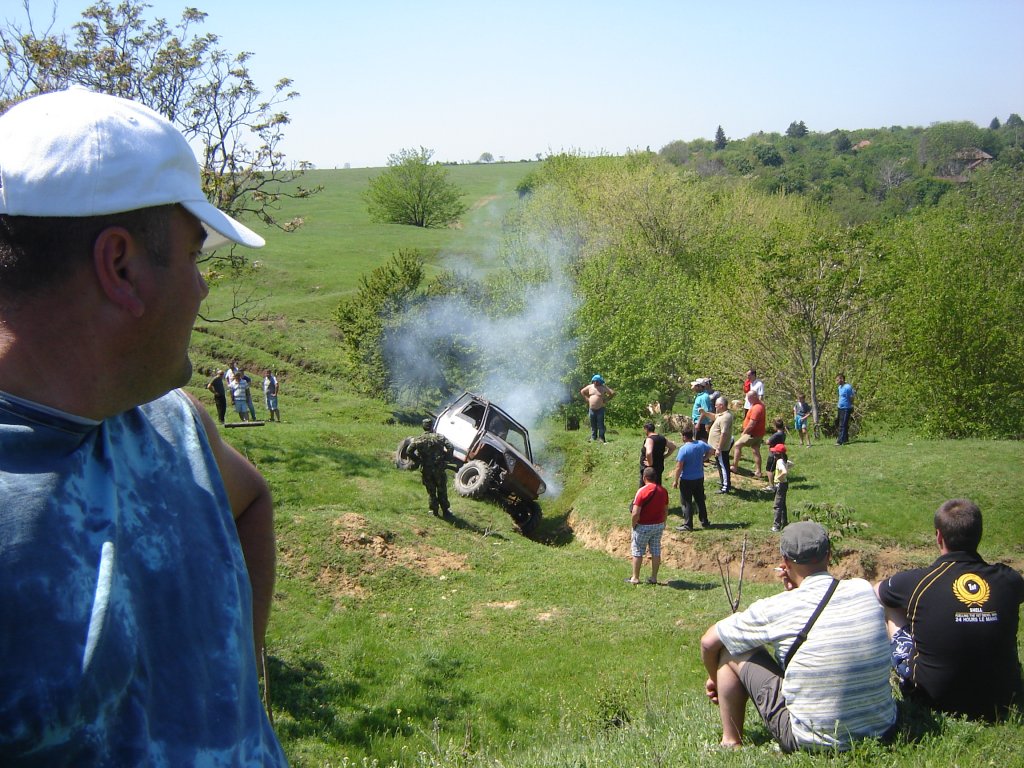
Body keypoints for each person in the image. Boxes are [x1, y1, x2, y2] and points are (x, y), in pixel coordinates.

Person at [0, 88, 286, 764]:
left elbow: (252, 502)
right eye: (194, 257)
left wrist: (237, 698)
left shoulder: (174, 425)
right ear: (121, 266)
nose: (202, 288)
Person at [699, 522, 896, 752]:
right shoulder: (863, 589)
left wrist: (715, 678)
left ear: (785, 561)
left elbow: (708, 641)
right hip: (882, 727)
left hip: (813, 739)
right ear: (829, 555)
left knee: (729, 648)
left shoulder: (779, 607)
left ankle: (730, 741)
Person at [874, 499, 1024, 721]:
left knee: (890, 605)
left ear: (939, 537)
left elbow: (876, 592)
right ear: (979, 534)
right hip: (1004, 699)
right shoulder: (1010, 580)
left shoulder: (916, 582)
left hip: (933, 699)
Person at [627, 467, 670, 584]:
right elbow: (665, 510)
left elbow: (635, 513)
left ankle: (635, 578)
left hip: (643, 526)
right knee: (655, 550)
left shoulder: (642, 491)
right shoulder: (663, 491)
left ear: (644, 477)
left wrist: (633, 525)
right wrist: (664, 522)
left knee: (637, 550)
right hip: (658, 525)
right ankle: (654, 577)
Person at [407, 418, 455, 517]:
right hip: (439, 468)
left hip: (426, 469)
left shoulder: (418, 439)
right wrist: (447, 459)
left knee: (431, 491)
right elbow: (450, 447)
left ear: (423, 426)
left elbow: (408, 451)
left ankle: (434, 511)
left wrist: (418, 460)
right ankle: (446, 511)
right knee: (442, 489)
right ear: (432, 426)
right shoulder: (440, 437)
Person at [671, 425, 714, 531]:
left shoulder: (683, 449)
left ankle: (688, 524)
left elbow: (679, 466)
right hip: (699, 477)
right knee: (700, 499)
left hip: (687, 479)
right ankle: (705, 521)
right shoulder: (700, 444)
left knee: (686, 502)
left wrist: (675, 481)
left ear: (684, 437)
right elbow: (712, 450)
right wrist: (704, 458)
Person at [701, 396, 734, 494]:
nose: (715, 406)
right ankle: (723, 481)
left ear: (722, 405)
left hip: (721, 447)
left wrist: (719, 448)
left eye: (716, 405)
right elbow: (714, 416)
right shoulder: (721, 415)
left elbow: (724, 433)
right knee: (720, 465)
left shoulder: (726, 417)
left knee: (723, 465)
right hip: (716, 447)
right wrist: (704, 413)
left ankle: (726, 487)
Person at [731, 389, 766, 479]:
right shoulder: (759, 404)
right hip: (759, 433)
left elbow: (752, 423)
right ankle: (758, 471)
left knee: (737, 445)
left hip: (752, 433)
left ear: (755, 397)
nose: (748, 400)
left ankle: (734, 467)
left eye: (749, 398)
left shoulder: (757, 408)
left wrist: (744, 432)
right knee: (755, 450)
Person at [639, 421, 676, 487]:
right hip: (659, 467)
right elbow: (673, 447)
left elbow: (649, 452)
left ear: (646, 429)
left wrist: (650, 463)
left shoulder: (649, 439)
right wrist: (664, 456)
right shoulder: (662, 438)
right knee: (657, 487)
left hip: (649, 470)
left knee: (645, 488)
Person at [580, 374, 615, 443]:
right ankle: (593, 437)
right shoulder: (590, 387)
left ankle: (601, 438)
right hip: (592, 409)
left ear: (600, 381)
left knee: (600, 424)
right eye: (594, 381)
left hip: (600, 409)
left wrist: (607, 399)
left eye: (597, 381)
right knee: (593, 424)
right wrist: (587, 398)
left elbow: (612, 393)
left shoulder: (603, 387)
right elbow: (582, 391)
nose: (595, 382)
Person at [768, 443, 790, 531]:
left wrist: (779, 477)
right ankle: (784, 522)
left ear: (778, 454)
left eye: (775, 453)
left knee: (777, 505)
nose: (773, 454)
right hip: (785, 484)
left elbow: (784, 472)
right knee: (782, 504)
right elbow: (791, 464)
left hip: (780, 484)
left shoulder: (779, 461)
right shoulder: (785, 461)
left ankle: (776, 526)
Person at [691, 378, 713, 442]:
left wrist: (698, 423)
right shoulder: (700, 396)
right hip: (698, 422)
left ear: (700, 386)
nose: (694, 387)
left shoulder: (704, 397)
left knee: (701, 441)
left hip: (701, 423)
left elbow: (704, 411)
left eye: (696, 386)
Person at [836, 373, 855, 445]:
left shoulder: (847, 387)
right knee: (842, 424)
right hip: (840, 408)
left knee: (842, 425)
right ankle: (845, 439)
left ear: (842, 379)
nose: (837, 381)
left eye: (837, 380)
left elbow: (851, 397)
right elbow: (840, 397)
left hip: (846, 408)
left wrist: (851, 405)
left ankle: (839, 441)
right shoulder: (839, 387)